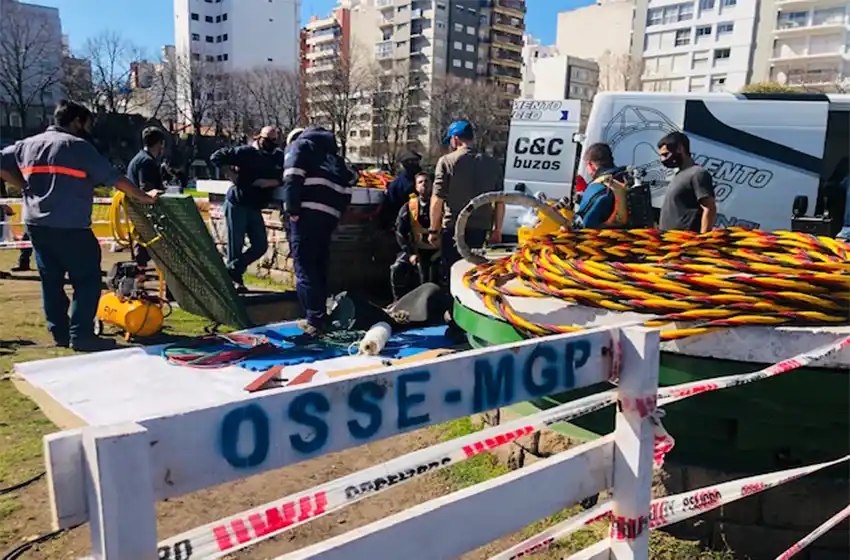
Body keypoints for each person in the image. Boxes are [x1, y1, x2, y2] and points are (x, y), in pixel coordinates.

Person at [0, 100, 155, 351]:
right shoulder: (77, 147)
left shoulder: (27, 144)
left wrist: (23, 185)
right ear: (76, 122)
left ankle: (59, 332)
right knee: (87, 280)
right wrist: (145, 197)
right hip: (70, 226)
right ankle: (81, 334)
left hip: (37, 224)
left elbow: (1, 164)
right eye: (86, 123)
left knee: (50, 280)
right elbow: (115, 179)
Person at [280, 126, 357, 336]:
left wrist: (292, 209)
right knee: (319, 267)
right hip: (328, 218)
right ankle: (320, 316)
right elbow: (347, 189)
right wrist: (335, 215)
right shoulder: (334, 158)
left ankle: (314, 321)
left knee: (304, 268)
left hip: (305, 215)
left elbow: (292, 177)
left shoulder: (300, 146)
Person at [428, 120, 505, 285]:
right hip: (480, 228)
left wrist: (434, 230)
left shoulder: (447, 161)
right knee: (474, 271)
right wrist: (497, 230)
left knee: (452, 273)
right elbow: (500, 201)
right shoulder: (492, 164)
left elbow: (437, 199)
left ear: (455, 139)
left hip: (454, 228)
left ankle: (451, 307)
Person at [210, 126, 284, 292]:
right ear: (260, 138)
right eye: (268, 140)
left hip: (255, 206)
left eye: (274, 140)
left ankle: (231, 270)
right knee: (235, 245)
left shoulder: (278, 157)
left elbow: (285, 175)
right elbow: (217, 157)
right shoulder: (246, 152)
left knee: (260, 245)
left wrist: (272, 183)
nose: (272, 143)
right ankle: (236, 282)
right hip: (238, 202)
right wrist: (231, 175)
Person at [390, 172, 441, 301]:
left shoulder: (442, 206)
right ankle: (399, 301)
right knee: (397, 268)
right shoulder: (409, 206)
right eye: (420, 182)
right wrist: (410, 253)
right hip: (416, 251)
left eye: (427, 181)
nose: (424, 184)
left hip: (438, 251)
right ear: (416, 187)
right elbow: (399, 232)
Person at [657, 131, 716, 233]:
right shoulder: (678, 176)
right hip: (668, 242)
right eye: (661, 156)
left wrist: (702, 240)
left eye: (666, 155)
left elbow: (709, 208)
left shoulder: (697, 173)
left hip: (685, 242)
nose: (663, 159)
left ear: (680, 148)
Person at [126, 127, 167, 267]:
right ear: (160, 143)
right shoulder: (147, 162)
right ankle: (138, 270)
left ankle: (138, 271)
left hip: (136, 209)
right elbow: (147, 188)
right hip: (145, 210)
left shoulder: (138, 159)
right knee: (150, 243)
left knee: (142, 242)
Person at [575, 142, 632, 229]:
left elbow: (583, 223)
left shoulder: (598, 186)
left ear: (590, 165)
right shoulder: (627, 178)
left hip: (604, 239)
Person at [382, 151, 422, 228]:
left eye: (416, 161)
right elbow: (390, 206)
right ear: (404, 164)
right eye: (410, 162)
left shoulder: (425, 180)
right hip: (403, 223)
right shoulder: (396, 184)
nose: (414, 164)